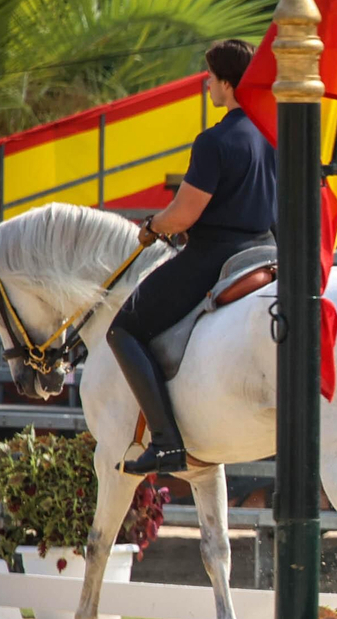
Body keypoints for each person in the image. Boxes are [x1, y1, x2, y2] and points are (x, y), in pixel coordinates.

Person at [107, 39, 276, 474]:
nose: (206, 85)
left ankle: (165, 441)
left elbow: (183, 215)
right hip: (264, 249)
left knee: (122, 329)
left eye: (210, 78)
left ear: (226, 83)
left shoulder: (215, 141)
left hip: (214, 257)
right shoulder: (271, 135)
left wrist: (152, 226)